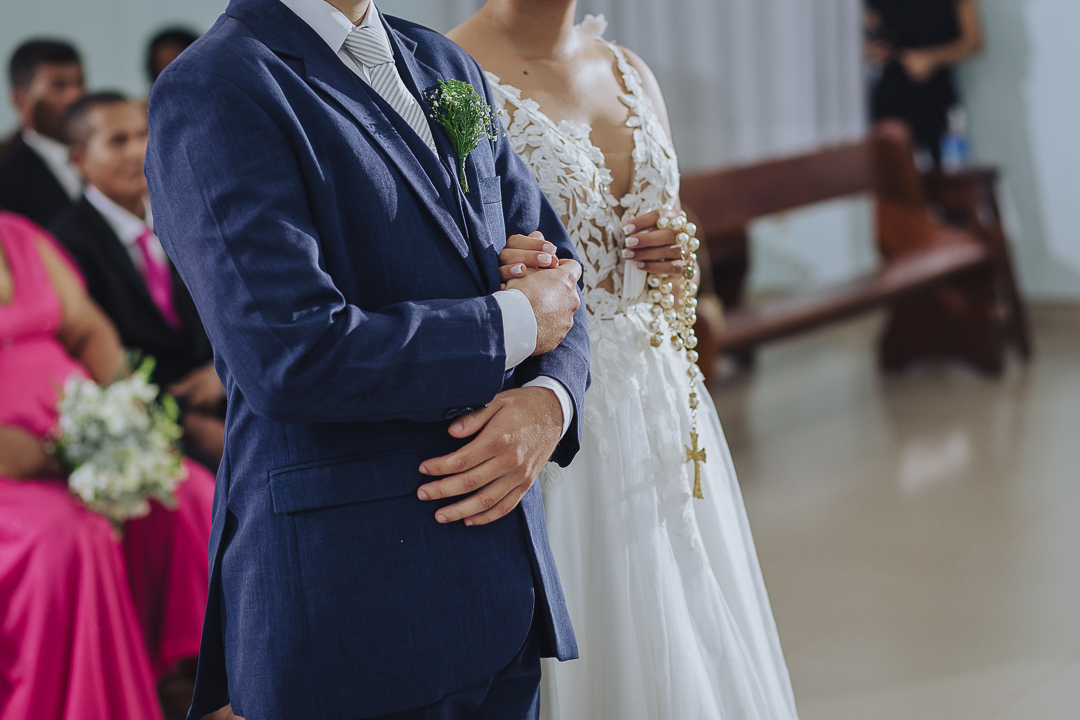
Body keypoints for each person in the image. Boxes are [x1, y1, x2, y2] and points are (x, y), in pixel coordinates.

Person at [144, 0, 591, 718]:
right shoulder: (216, 86)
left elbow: (557, 274)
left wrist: (550, 402)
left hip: (503, 586)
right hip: (354, 599)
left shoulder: (442, 61)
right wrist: (513, 323)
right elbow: (292, 355)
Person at [449, 6, 799, 719]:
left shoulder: (628, 68)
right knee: (597, 605)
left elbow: (675, 236)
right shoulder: (451, 77)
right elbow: (445, 253)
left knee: (689, 612)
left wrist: (679, 248)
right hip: (557, 398)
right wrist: (503, 269)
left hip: (664, 392)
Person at [0, 211, 218, 720]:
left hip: (81, 444)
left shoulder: (20, 236)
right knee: (70, 538)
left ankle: (205, 685)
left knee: (186, 491)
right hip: (12, 475)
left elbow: (88, 328)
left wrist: (124, 415)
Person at [50, 92, 224, 467]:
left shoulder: (185, 210)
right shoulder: (62, 245)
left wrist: (221, 372)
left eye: (142, 134)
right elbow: (90, 361)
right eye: (118, 141)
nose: (136, 151)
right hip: (142, 423)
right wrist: (187, 423)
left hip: (224, 390)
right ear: (79, 159)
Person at [865, 0, 984, 165]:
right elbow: (870, 34)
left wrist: (932, 59)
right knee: (893, 170)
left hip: (937, 98)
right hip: (892, 97)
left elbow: (974, 41)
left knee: (944, 169)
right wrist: (873, 50)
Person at [0, 40, 85, 226]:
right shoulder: (6, 178)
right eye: (59, 86)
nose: (76, 95)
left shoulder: (105, 155)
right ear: (21, 100)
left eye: (80, 82)